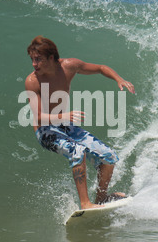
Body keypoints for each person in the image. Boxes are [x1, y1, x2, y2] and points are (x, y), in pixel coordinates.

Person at [25, 36, 135, 210]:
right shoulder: (32, 81)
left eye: (38, 59)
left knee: (109, 156)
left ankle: (101, 199)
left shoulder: (69, 66)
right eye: (32, 59)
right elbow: (38, 117)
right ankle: (85, 204)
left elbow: (100, 68)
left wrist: (118, 79)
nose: (33, 64)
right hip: (45, 130)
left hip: (64, 126)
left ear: (51, 58)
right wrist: (64, 115)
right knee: (77, 151)